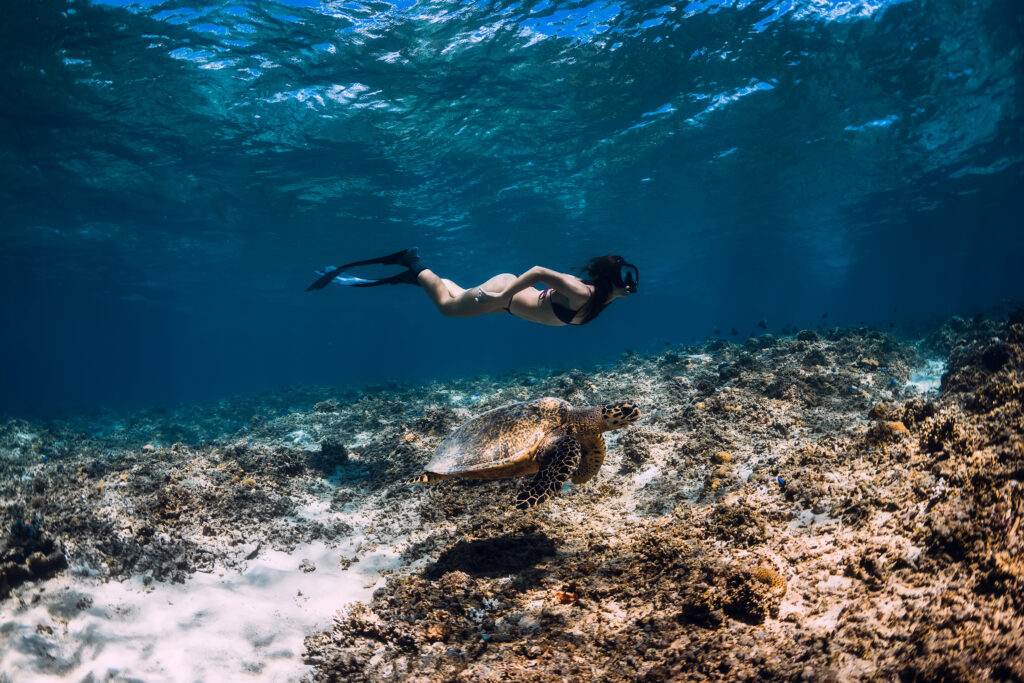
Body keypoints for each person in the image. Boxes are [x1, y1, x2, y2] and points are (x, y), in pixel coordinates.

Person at [307, 248, 638, 327]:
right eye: (623, 281)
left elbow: (619, 289)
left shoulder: (610, 295)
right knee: (448, 309)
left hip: (506, 304)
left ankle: (418, 277)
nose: (627, 287)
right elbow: (537, 271)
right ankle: (412, 265)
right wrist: (503, 295)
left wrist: (623, 289)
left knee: (456, 295)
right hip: (504, 295)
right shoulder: (581, 292)